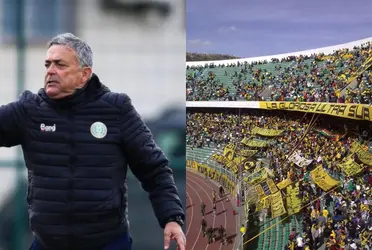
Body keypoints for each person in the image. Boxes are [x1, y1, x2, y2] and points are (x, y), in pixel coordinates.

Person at [0, 33, 186, 250]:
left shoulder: (117, 110)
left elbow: (155, 169)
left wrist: (172, 217)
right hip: (48, 243)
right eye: (47, 64)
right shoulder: (30, 111)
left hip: (106, 242)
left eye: (60, 64)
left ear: (84, 74)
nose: (50, 70)